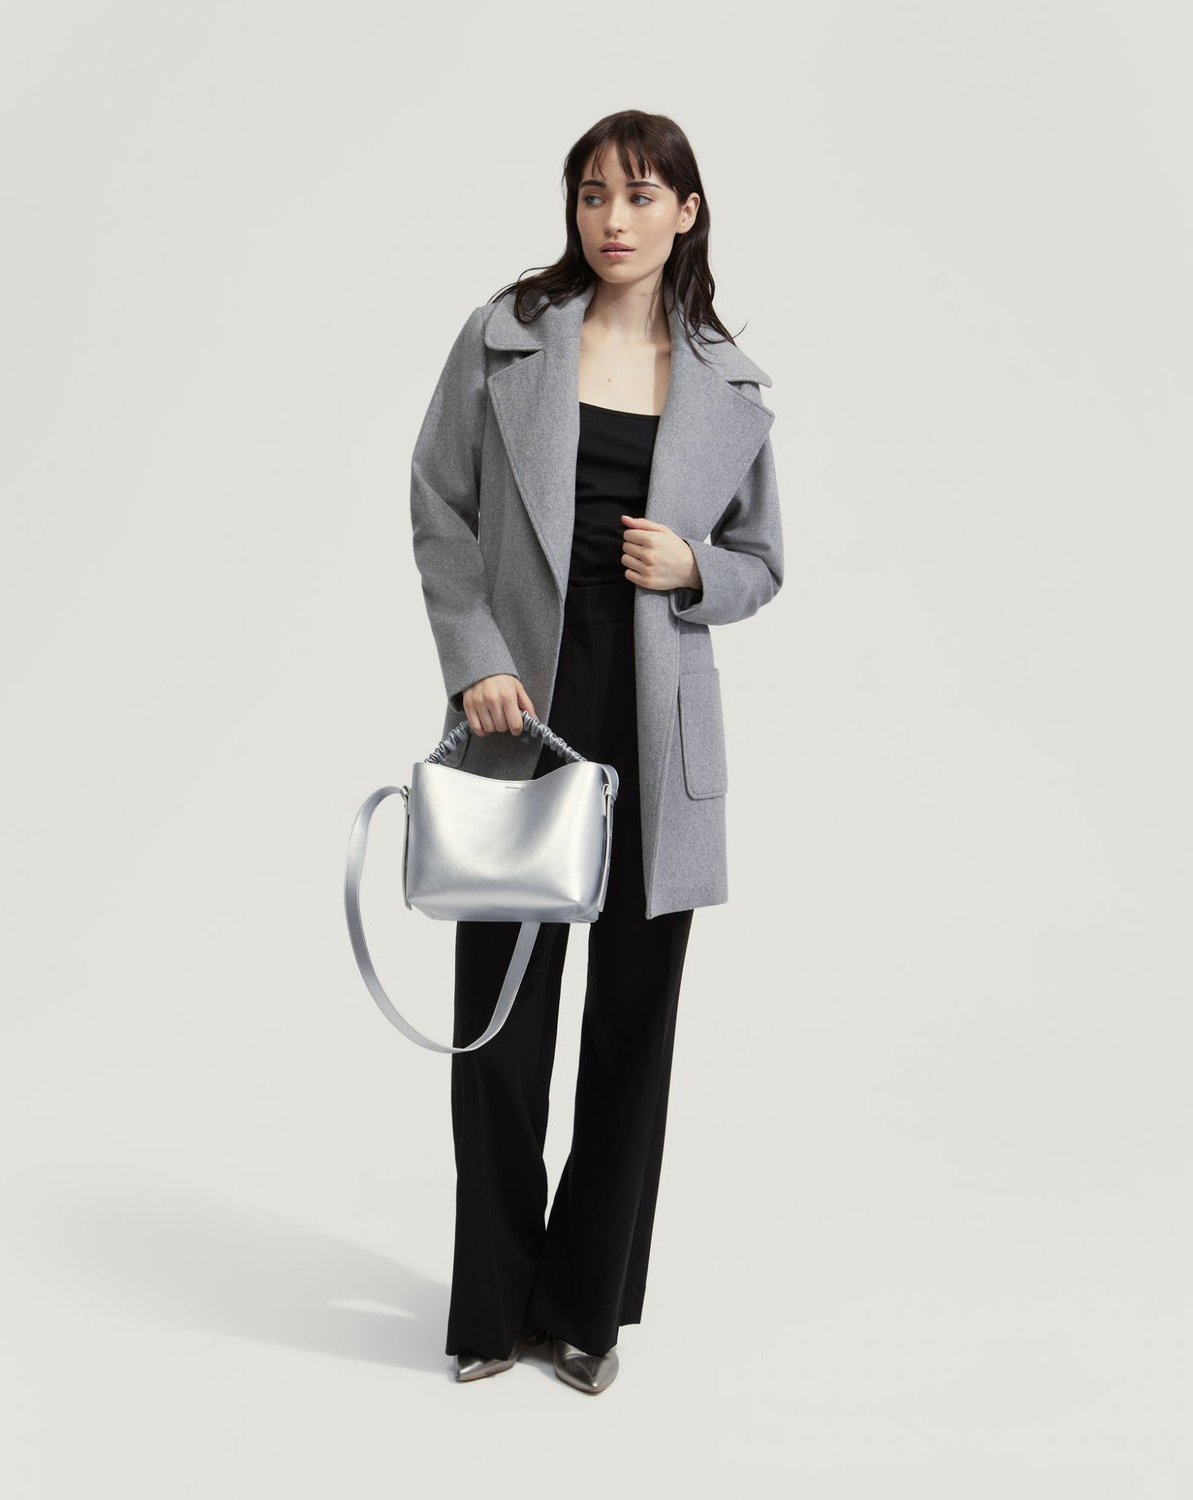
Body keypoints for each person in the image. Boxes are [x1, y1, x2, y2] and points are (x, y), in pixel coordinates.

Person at [408, 110, 784, 1394]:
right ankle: (491, 1307)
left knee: (632, 1032)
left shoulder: (728, 385)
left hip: (657, 746)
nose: (612, 219)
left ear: (687, 210)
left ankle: (582, 1313)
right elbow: (439, 505)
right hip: (522, 724)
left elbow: (761, 563)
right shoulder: (508, 337)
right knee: (500, 1031)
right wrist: (476, 658)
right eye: (590, 194)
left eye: (639, 194)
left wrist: (695, 570)